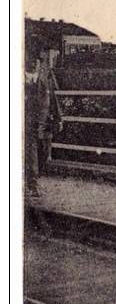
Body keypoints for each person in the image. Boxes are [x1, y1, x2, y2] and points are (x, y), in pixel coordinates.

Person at [25, 38, 62, 199]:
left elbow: (53, 96)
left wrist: (58, 117)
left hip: (45, 119)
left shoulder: (46, 73)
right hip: (27, 120)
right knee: (31, 152)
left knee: (44, 152)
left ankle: (33, 180)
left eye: (39, 58)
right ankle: (32, 185)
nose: (36, 61)